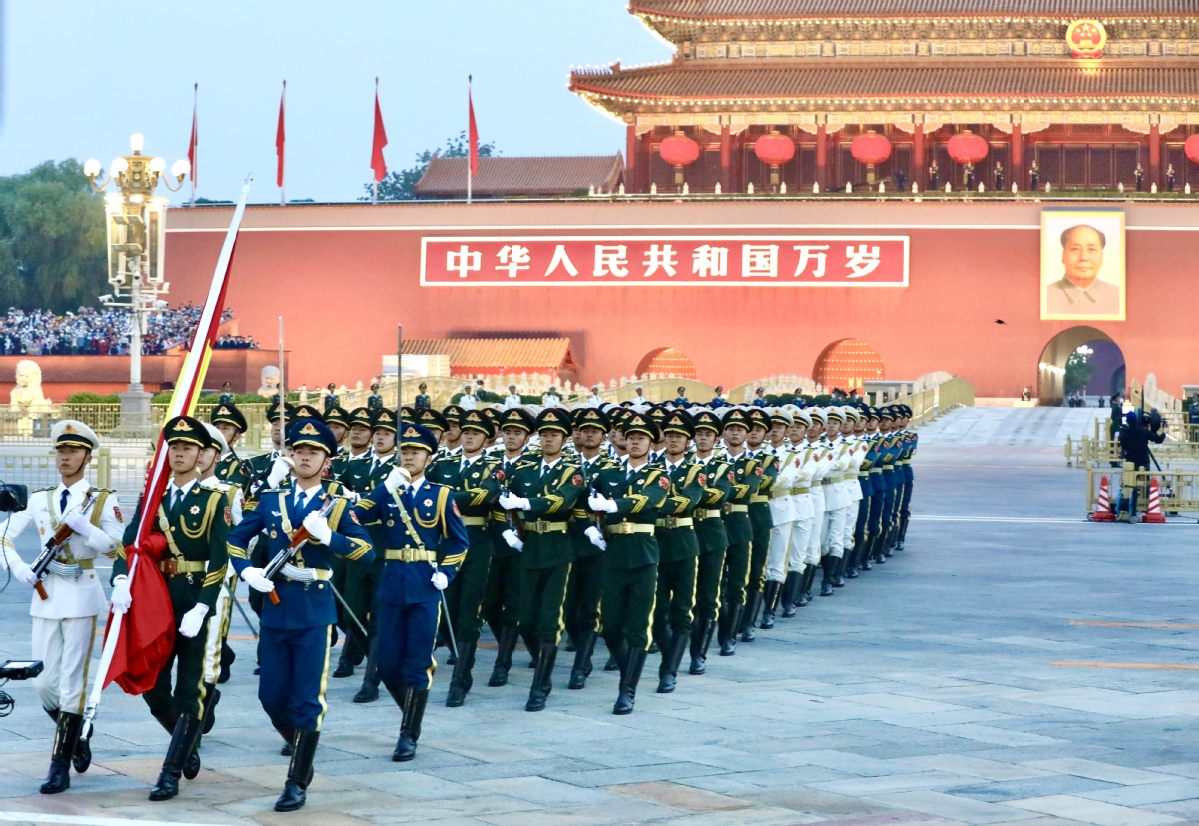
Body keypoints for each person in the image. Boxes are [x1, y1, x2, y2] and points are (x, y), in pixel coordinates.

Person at [228, 418, 372, 811]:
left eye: (314, 452)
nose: (305, 457)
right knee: (271, 696)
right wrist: (248, 571)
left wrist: (329, 536)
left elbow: (365, 551)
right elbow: (236, 538)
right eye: (299, 451)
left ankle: (297, 779)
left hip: (314, 610)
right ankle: (300, 746)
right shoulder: (271, 500)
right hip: (276, 609)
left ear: (327, 460)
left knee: (308, 698)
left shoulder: (336, 504)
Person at [0, 420, 124, 795]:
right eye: (61, 451)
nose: (65, 457)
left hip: (82, 595)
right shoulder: (40, 499)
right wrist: (17, 565)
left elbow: (117, 548)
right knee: (42, 683)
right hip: (45, 596)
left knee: (72, 683)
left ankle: (59, 766)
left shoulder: (102, 500)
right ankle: (77, 735)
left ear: (87, 457)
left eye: (73, 451)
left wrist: (87, 529)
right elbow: (3, 536)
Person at [117, 416, 230, 803]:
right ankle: (187, 745)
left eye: (187, 448)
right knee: (153, 687)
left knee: (188, 690)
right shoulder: (153, 499)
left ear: (201, 455)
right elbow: (129, 543)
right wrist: (120, 579)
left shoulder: (213, 500)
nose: (180, 453)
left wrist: (203, 606)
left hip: (194, 597)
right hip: (158, 600)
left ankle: (170, 772)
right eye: (174, 447)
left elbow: (220, 559)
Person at [354, 421, 468, 760]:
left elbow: (459, 541)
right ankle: (412, 712)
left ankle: (408, 734)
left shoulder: (441, 495)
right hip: (392, 583)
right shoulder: (387, 491)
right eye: (405, 451)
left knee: (418, 662)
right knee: (387, 665)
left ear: (428, 458)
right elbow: (356, 516)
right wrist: (383, 488)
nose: (409, 457)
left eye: (416, 452)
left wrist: (447, 572)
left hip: (425, 585)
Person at [499, 408, 585, 712]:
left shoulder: (573, 470)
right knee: (524, 617)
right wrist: (511, 529)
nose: (549, 439)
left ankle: (541, 684)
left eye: (555, 435)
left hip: (558, 547)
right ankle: (542, 661)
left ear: (564, 438)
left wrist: (525, 502)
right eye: (545, 434)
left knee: (550, 619)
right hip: (530, 546)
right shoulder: (525, 469)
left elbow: (561, 500)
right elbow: (504, 498)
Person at [588, 411, 670, 714]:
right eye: (631, 437)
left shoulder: (659, 475)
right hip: (613, 553)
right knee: (610, 627)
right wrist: (591, 526)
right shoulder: (608, 473)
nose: (635, 442)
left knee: (637, 626)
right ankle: (629, 674)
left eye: (641, 438)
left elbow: (647, 499)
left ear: (650, 443)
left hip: (643, 555)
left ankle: (627, 690)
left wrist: (613, 505)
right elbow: (587, 502)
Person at [426, 408, 503, 707]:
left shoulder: (493, 466)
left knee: (469, 612)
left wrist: (442, 498)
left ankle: (461, 679)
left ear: (486, 438)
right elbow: (424, 491)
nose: (469, 437)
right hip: (446, 544)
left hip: (476, 545)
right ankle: (454, 655)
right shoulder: (443, 464)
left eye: (476, 433)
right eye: (466, 432)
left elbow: (486, 495)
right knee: (446, 609)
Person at [563, 407, 618, 689]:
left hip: (598, 542)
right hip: (569, 539)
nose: (588, 435)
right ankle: (582, 650)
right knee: (567, 607)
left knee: (590, 607)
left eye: (594, 431)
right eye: (584, 430)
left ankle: (581, 664)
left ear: (603, 436)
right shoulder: (567, 464)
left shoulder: (612, 467)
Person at [650, 409, 704, 693]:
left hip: (683, 544)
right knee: (657, 613)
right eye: (669, 435)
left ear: (688, 441)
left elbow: (688, 501)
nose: (673, 440)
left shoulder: (696, 471)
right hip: (656, 543)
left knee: (682, 611)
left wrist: (651, 502)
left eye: (679, 436)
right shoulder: (651, 467)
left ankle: (668, 670)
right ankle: (671, 656)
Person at [483, 407, 535, 687]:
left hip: (522, 540)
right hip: (493, 539)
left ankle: (502, 663)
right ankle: (526, 647)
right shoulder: (491, 463)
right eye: (508, 432)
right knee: (490, 604)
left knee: (515, 605)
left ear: (527, 437)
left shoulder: (534, 463)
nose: (512, 437)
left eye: (517, 432)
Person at [686, 408, 734, 675]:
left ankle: (699, 652)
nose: (703, 438)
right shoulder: (682, 465)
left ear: (717, 439)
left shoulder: (723, 467)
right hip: (684, 534)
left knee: (709, 595)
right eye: (699, 433)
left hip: (711, 535)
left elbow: (719, 496)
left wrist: (690, 494)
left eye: (708, 434)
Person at [1044, 224, 1121, 317]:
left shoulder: (1119, 296)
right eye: (1075, 249)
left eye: (1092, 249)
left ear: (1101, 257)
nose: (1083, 257)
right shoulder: (1044, 296)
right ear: (1063, 256)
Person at [1116, 409, 1166, 522]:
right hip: (1143, 462)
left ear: (1127, 421)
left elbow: (1122, 445)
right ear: (1137, 420)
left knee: (1129, 485)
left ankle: (1128, 505)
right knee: (1145, 485)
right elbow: (1157, 440)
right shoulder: (1144, 431)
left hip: (1130, 462)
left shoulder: (1124, 432)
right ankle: (1146, 505)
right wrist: (1163, 432)